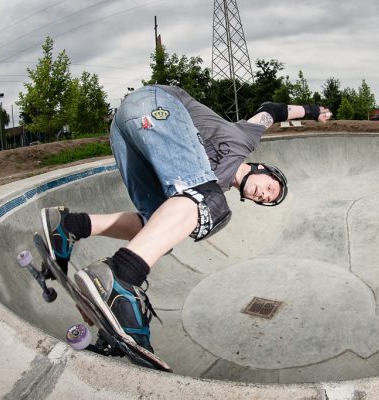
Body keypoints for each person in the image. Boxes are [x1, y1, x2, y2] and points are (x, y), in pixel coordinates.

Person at [40, 84, 332, 353]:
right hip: (154, 104)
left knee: (159, 228)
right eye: (269, 187)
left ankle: (70, 226)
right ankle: (121, 279)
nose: (263, 194)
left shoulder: (202, 191)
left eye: (265, 199)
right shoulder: (245, 139)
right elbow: (273, 110)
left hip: (124, 134)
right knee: (209, 205)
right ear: (262, 168)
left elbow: (170, 219)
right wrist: (315, 110)